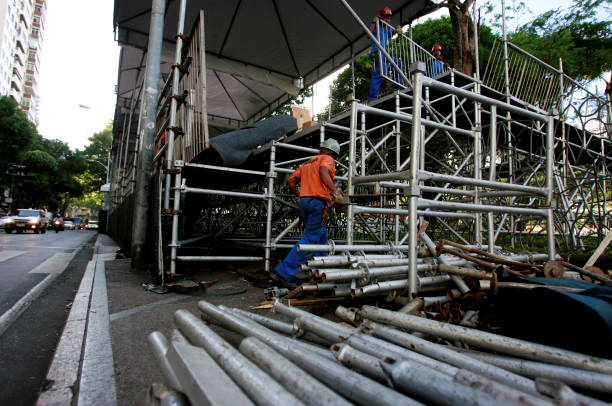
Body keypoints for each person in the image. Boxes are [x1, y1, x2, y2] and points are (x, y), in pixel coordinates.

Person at [274, 138, 343, 283]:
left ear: (322, 148)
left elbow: (291, 180)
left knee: (321, 236)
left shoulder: (308, 163)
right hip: (317, 203)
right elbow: (323, 171)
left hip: (305, 202)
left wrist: (300, 195)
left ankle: (321, 269)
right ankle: (283, 272)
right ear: (334, 154)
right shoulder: (327, 159)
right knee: (310, 239)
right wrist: (334, 191)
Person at [368, 7, 404, 100]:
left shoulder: (386, 29)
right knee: (380, 72)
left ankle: (396, 87)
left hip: (384, 54)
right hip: (377, 52)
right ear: (381, 17)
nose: (388, 20)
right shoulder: (376, 26)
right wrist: (374, 22)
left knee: (398, 64)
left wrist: (397, 29)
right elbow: (368, 35)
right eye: (386, 17)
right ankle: (372, 97)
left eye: (389, 18)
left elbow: (392, 33)